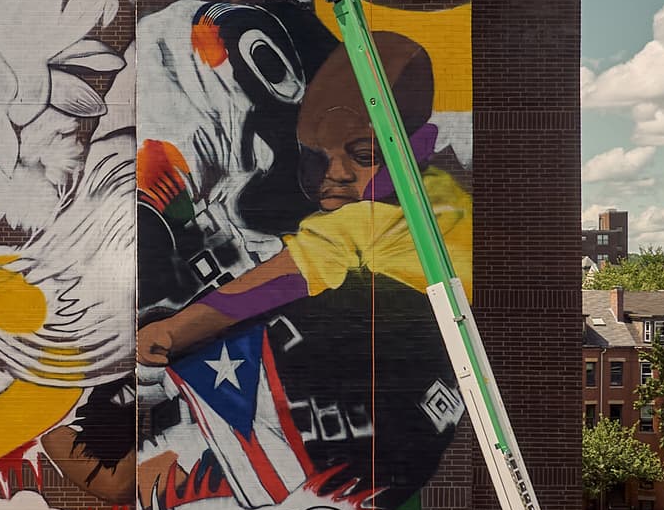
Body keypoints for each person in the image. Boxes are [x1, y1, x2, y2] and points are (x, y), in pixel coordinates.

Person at [137, 34, 467, 368]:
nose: (336, 173)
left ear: (420, 147)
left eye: (364, 156)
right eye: (318, 158)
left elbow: (272, 283)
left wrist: (173, 331)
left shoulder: (365, 221)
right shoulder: (439, 187)